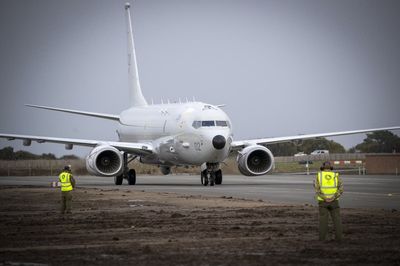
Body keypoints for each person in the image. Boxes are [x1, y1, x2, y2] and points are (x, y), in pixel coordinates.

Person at [314, 161, 343, 241]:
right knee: (337, 220)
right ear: (331, 167)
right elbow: (341, 189)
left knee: (323, 221)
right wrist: (333, 197)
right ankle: (339, 238)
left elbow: (317, 190)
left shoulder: (319, 175)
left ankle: (322, 239)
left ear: (322, 167)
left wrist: (324, 198)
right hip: (334, 202)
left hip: (323, 202)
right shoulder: (336, 175)